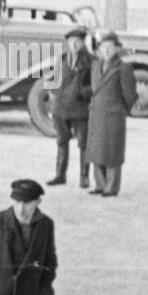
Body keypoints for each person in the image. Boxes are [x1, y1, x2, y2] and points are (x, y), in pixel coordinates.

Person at [84, 31, 139, 197]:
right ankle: (100, 185)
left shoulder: (123, 68)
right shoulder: (95, 66)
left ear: (116, 49)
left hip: (113, 116)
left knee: (112, 152)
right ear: (99, 49)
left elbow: (130, 94)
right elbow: (93, 88)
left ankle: (111, 187)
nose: (106, 51)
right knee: (96, 151)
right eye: (103, 47)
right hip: (96, 114)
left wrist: (120, 109)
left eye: (110, 47)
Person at [47, 26, 93, 187]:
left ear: (82, 43)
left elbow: (97, 85)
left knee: (84, 144)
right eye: (71, 42)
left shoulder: (91, 62)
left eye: (78, 42)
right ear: (67, 43)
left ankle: (84, 177)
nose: (74, 45)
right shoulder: (61, 59)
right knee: (61, 141)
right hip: (60, 109)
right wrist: (56, 92)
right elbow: (52, 79)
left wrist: (82, 91)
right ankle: (60, 175)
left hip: (81, 110)